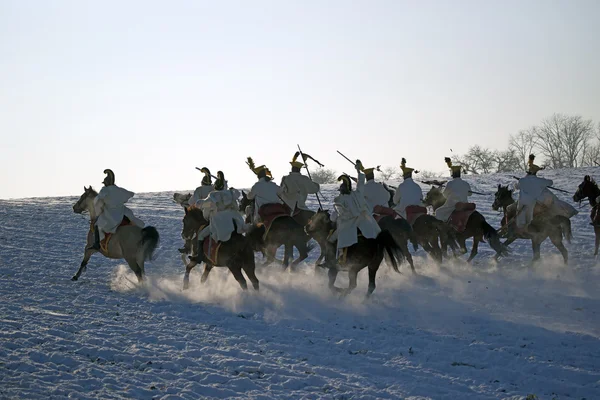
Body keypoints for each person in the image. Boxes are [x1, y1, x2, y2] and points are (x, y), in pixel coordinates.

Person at [322, 160, 381, 268]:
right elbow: (360, 184)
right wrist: (359, 171)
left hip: (348, 224)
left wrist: (331, 218)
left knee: (330, 240)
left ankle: (332, 261)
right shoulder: (357, 194)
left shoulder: (339, 199)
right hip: (363, 221)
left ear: (342, 189)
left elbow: (336, 215)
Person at [515, 154, 577, 232]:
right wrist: (543, 183)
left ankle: (520, 227)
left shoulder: (522, 180)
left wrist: (523, 179)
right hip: (535, 202)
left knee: (518, 213)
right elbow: (550, 182)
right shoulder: (540, 181)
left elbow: (516, 187)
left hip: (523, 203)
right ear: (535, 173)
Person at [87, 169, 145, 251]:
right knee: (132, 219)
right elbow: (128, 196)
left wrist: (99, 209)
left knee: (97, 225)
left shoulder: (105, 190)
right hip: (122, 212)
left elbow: (97, 202)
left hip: (110, 215)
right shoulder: (119, 189)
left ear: (106, 182)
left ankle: (97, 244)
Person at [195, 171, 246, 246]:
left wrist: (199, 202)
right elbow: (236, 206)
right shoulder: (230, 194)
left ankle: (200, 257)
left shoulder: (212, 196)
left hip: (219, 222)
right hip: (233, 219)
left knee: (201, 236)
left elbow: (202, 205)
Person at [278, 151, 320, 224]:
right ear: (299, 169)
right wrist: (314, 183)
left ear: (292, 168)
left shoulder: (285, 178)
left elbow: (280, 191)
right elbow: (315, 189)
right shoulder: (304, 179)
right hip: (300, 206)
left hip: (286, 207)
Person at [434, 157, 472, 222]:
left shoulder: (450, 183)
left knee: (438, 212)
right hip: (465, 205)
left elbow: (445, 195)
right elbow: (470, 194)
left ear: (453, 174)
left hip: (452, 206)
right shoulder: (466, 183)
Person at [246, 157, 283, 223]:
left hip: (263, 211)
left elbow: (250, 197)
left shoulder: (257, 185)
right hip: (277, 208)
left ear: (258, 176)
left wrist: (248, 193)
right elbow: (280, 192)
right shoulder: (273, 184)